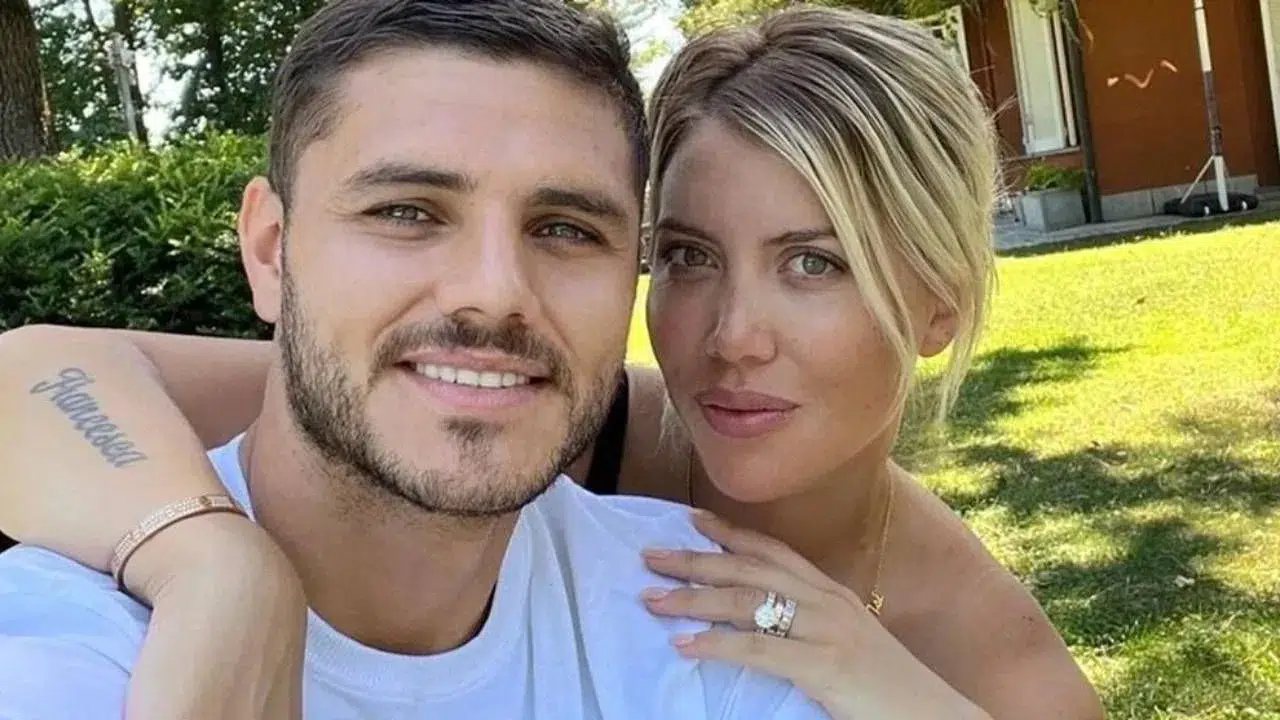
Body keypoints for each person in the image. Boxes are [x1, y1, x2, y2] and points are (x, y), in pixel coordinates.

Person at [0, 4, 1103, 720]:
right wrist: (217, 569)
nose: (730, 337)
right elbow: (40, 373)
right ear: (271, 250)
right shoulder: (586, 410)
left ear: (937, 306)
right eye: (685, 256)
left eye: (814, 263)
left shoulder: (962, 631)